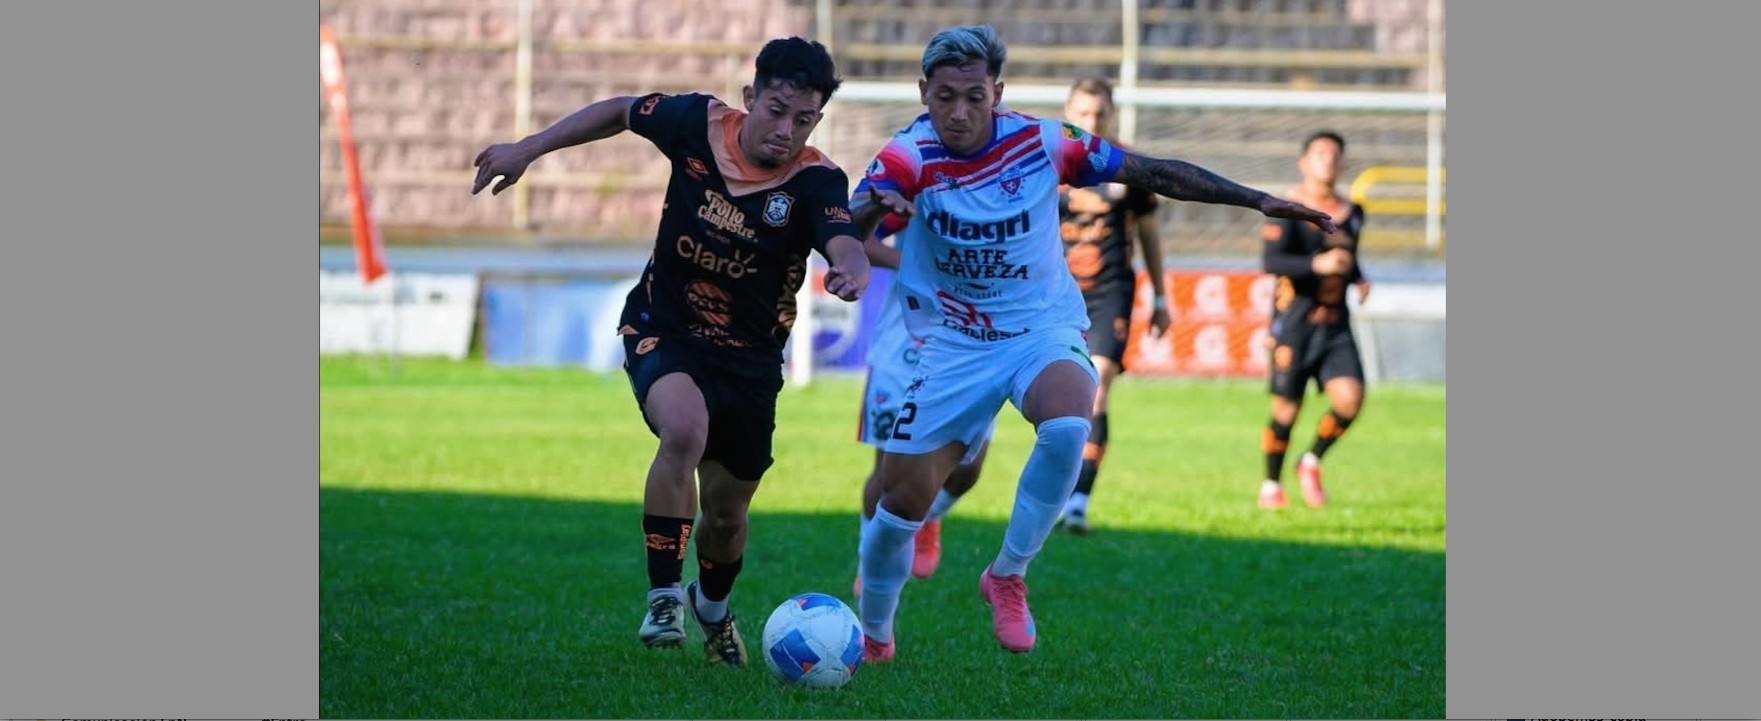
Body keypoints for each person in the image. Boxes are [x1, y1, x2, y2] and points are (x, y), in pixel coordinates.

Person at [847, 24, 1336, 662]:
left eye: (974, 96)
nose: (959, 112)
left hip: (1038, 328)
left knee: (1069, 423)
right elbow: (848, 219)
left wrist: (1258, 200)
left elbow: (1151, 171)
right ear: (923, 93)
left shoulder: (1043, 142)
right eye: (945, 97)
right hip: (953, 342)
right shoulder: (908, 154)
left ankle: (1007, 573)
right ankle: (876, 634)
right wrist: (869, 212)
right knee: (899, 505)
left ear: (998, 92)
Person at [469, 37, 873, 667]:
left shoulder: (816, 178)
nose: (786, 130)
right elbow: (618, 111)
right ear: (750, 98)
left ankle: (710, 604)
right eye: (776, 111)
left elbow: (842, 237)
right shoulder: (696, 123)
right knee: (683, 429)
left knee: (727, 515)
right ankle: (663, 597)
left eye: (803, 120)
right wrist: (528, 148)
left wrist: (854, 268)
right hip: (665, 325)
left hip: (750, 359)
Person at [1050, 77, 1172, 536]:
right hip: (1056, 296)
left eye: (1100, 114)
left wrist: (1160, 297)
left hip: (1110, 292)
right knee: (1057, 397)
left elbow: (1149, 233)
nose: (1092, 122)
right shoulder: (1044, 160)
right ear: (1068, 112)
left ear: (1112, 115)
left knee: (1096, 386)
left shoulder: (1128, 164)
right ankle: (1056, 489)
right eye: (1083, 113)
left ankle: (1078, 501)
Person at [851, 233, 996, 598]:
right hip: (902, 356)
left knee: (967, 469)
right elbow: (858, 238)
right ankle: (870, 565)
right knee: (888, 473)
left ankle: (927, 516)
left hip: (971, 354)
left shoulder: (1003, 198)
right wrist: (915, 264)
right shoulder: (916, 196)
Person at [1258, 130, 1369, 510]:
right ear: (1303, 163)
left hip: (1336, 324)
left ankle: (1311, 460)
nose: (1328, 160)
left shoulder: (1353, 212)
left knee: (1350, 400)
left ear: (1343, 163)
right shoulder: (1287, 208)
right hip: (1295, 323)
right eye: (1320, 153)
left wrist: (1359, 277)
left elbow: (1349, 257)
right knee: (1286, 410)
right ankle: (1272, 484)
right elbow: (1271, 261)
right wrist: (1316, 265)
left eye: (1335, 154)